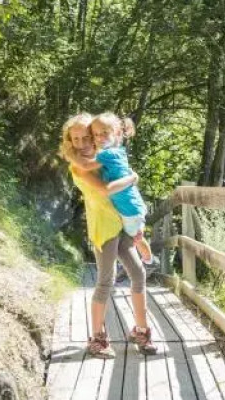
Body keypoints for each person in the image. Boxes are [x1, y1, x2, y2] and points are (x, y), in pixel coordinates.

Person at [60, 113, 157, 358]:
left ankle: (141, 330)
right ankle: (97, 338)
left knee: (138, 273)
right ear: (70, 142)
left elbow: (120, 183)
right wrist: (133, 177)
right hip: (104, 228)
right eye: (77, 139)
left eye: (88, 137)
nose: (83, 143)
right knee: (106, 281)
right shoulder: (79, 167)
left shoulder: (104, 157)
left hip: (122, 224)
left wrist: (134, 221)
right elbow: (104, 190)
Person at [66, 112, 153, 265]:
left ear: (116, 133)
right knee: (136, 238)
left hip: (127, 207)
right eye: (97, 134)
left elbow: (87, 168)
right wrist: (133, 178)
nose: (100, 138)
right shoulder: (117, 151)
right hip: (126, 207)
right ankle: (147, 256)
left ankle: (147, 256)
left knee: (135, 236)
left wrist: (69, 153)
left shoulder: (107, 154)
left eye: (104, 133)